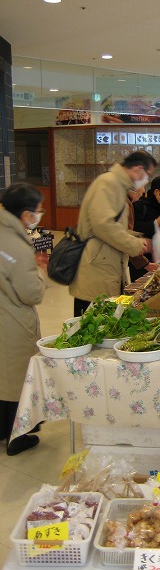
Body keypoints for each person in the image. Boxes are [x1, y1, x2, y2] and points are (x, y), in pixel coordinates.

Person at [69, 150, 155, 316]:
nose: (147, 180)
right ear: (138, 169)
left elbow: (114, 226)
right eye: (147, 175)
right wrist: (134, 244)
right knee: (88, 323)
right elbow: (103, 225)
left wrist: (136, 238)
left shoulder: (117, 185)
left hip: (105, 264)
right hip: (96, 267)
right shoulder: (108, 184)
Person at [0, 183, 48, 455]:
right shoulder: (17, 247)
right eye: (37, 211)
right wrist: (39, 271)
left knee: (2, 374)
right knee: (16, 375)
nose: (38, 216)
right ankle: (17, 436)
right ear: (26, 214)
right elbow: (31, 293)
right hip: (12, 318)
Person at [127, 185, 159, 283]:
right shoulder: (127, 204)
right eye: (143, 186)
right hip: (106, 261)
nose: (144, 190)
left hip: (134, 254)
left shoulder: (128, 202)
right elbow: (121, 236)